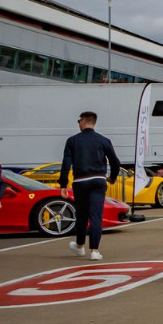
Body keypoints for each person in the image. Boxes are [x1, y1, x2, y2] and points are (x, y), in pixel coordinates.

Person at [58, 111, 122, 261]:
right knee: (96, 215)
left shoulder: (72, 141)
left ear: (83, 122)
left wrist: (63, 184)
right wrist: (112, 177)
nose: (79, 124)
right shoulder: (104, 140)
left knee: (81, 215)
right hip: (98, 180)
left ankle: (80, 246)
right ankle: (94, 250)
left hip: (80, 181)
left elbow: (66, 163)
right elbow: (115, 162)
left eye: (79, 121)